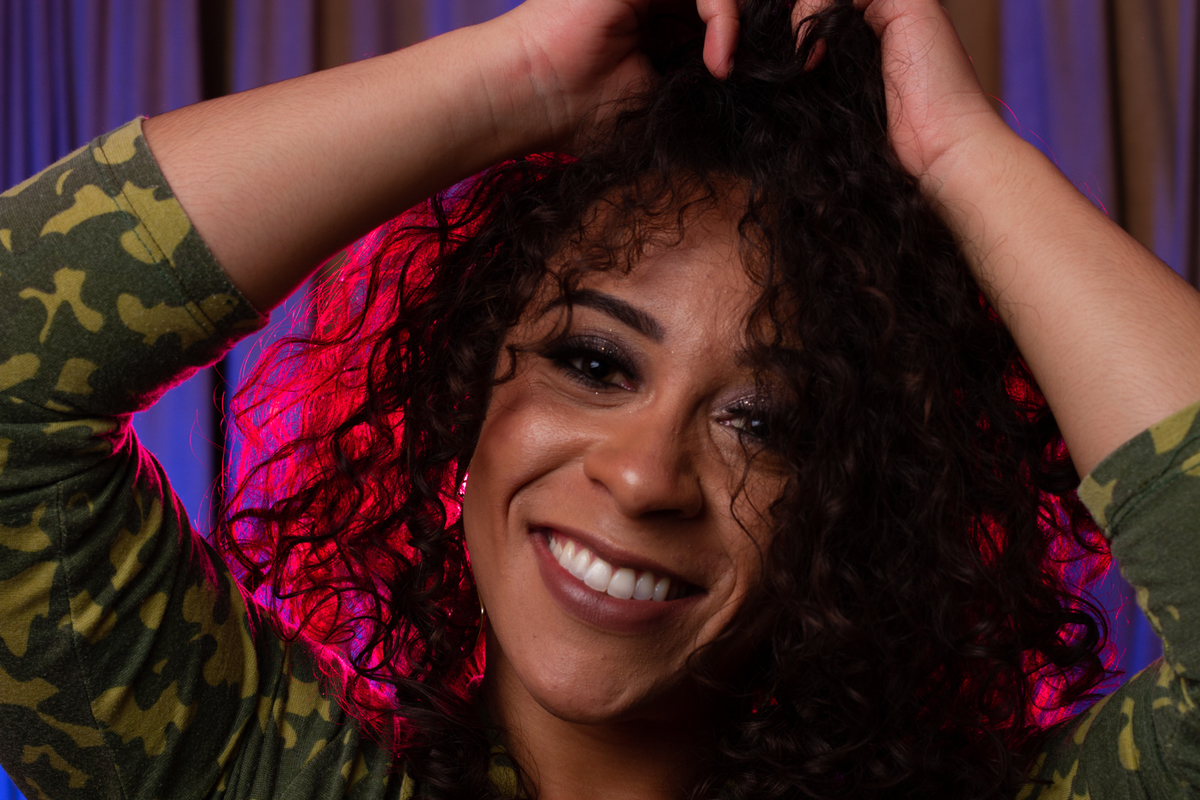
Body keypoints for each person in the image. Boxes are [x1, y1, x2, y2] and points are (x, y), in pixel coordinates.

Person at [2, 0, 1199, 797]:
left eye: (766, 423)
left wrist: (960, 161)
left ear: (861, 511)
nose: (642, 473)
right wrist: (520, 75)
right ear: (467, 393)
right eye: (593, 362)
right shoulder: (266, 773)